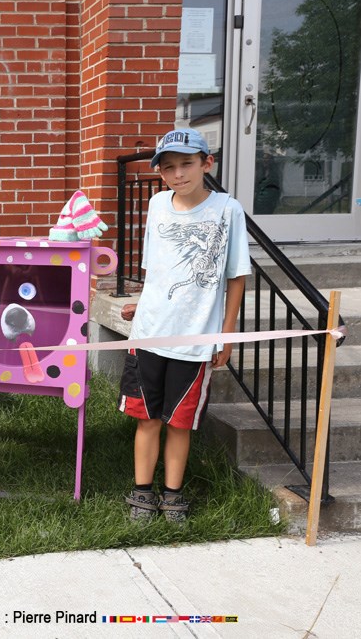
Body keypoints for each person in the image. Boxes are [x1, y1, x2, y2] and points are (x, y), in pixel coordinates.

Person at [119, 128, 250, 523]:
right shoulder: (157, 204)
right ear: (160, 172)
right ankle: (142, 493)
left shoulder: (228, 210)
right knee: (147, 419)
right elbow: (156, 268)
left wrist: (226, 335)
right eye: (169, 167)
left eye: (187, 164)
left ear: (207, 163)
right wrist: (142, 303)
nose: (178, 174)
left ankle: (172, 495)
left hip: (194, 341)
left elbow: (236, 277)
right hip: (149, 334)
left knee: (179, 423)